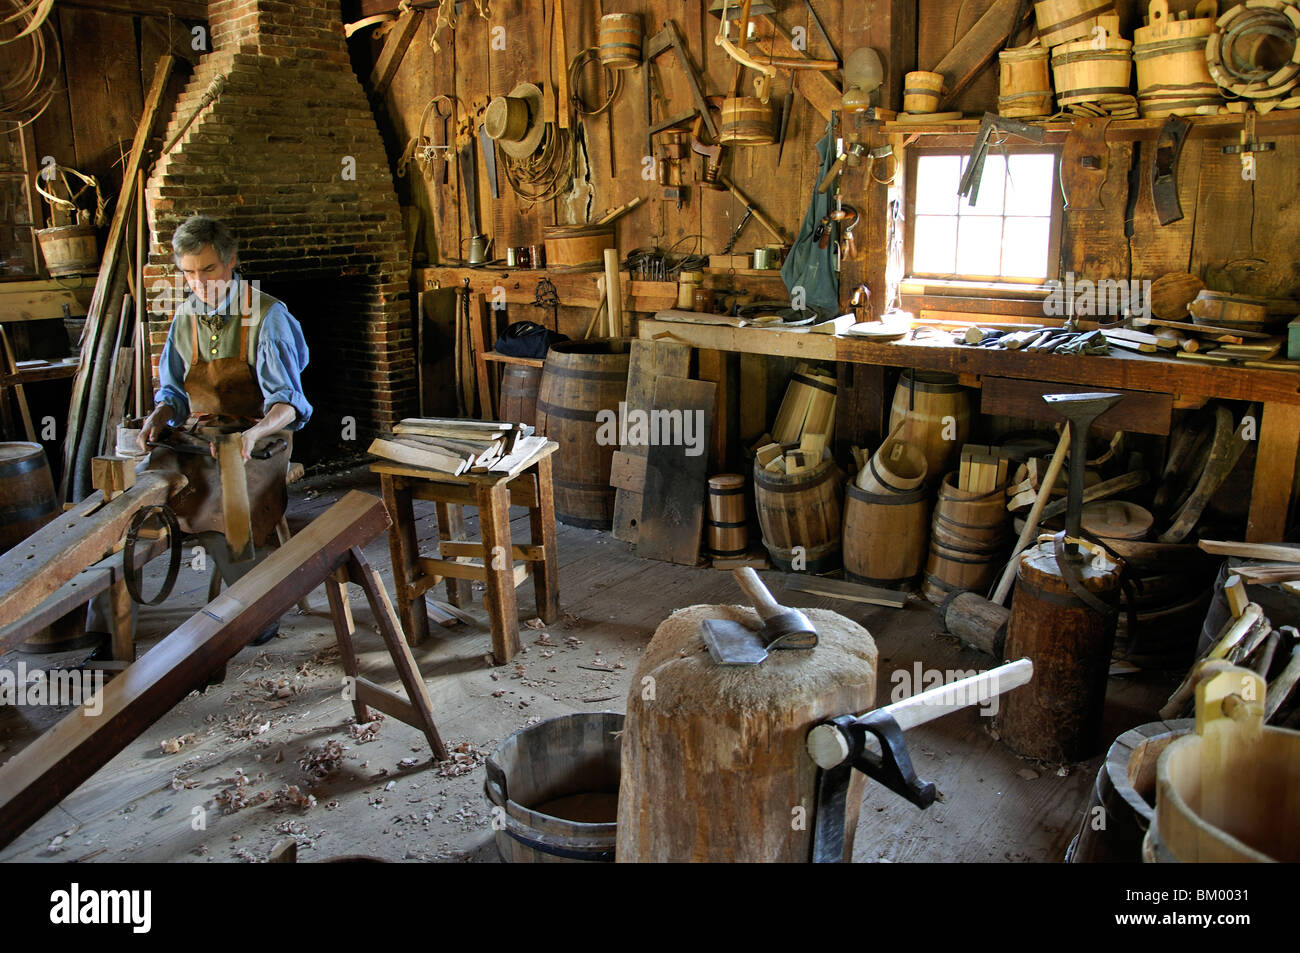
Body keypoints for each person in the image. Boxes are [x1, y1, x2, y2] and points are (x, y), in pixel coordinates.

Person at [89, 215, 311, 650]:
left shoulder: (267, 316)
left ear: (230, 263)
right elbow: (172, 391)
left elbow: (290, 403)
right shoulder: (186, 317)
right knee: (127, 510)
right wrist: (159, 415)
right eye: (188, 272)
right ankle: (110, 632)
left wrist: (253, 434)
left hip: (259, 438)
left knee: (217, 507)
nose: (198, 282)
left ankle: (257, 608)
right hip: (197, 436)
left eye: (208, 269)